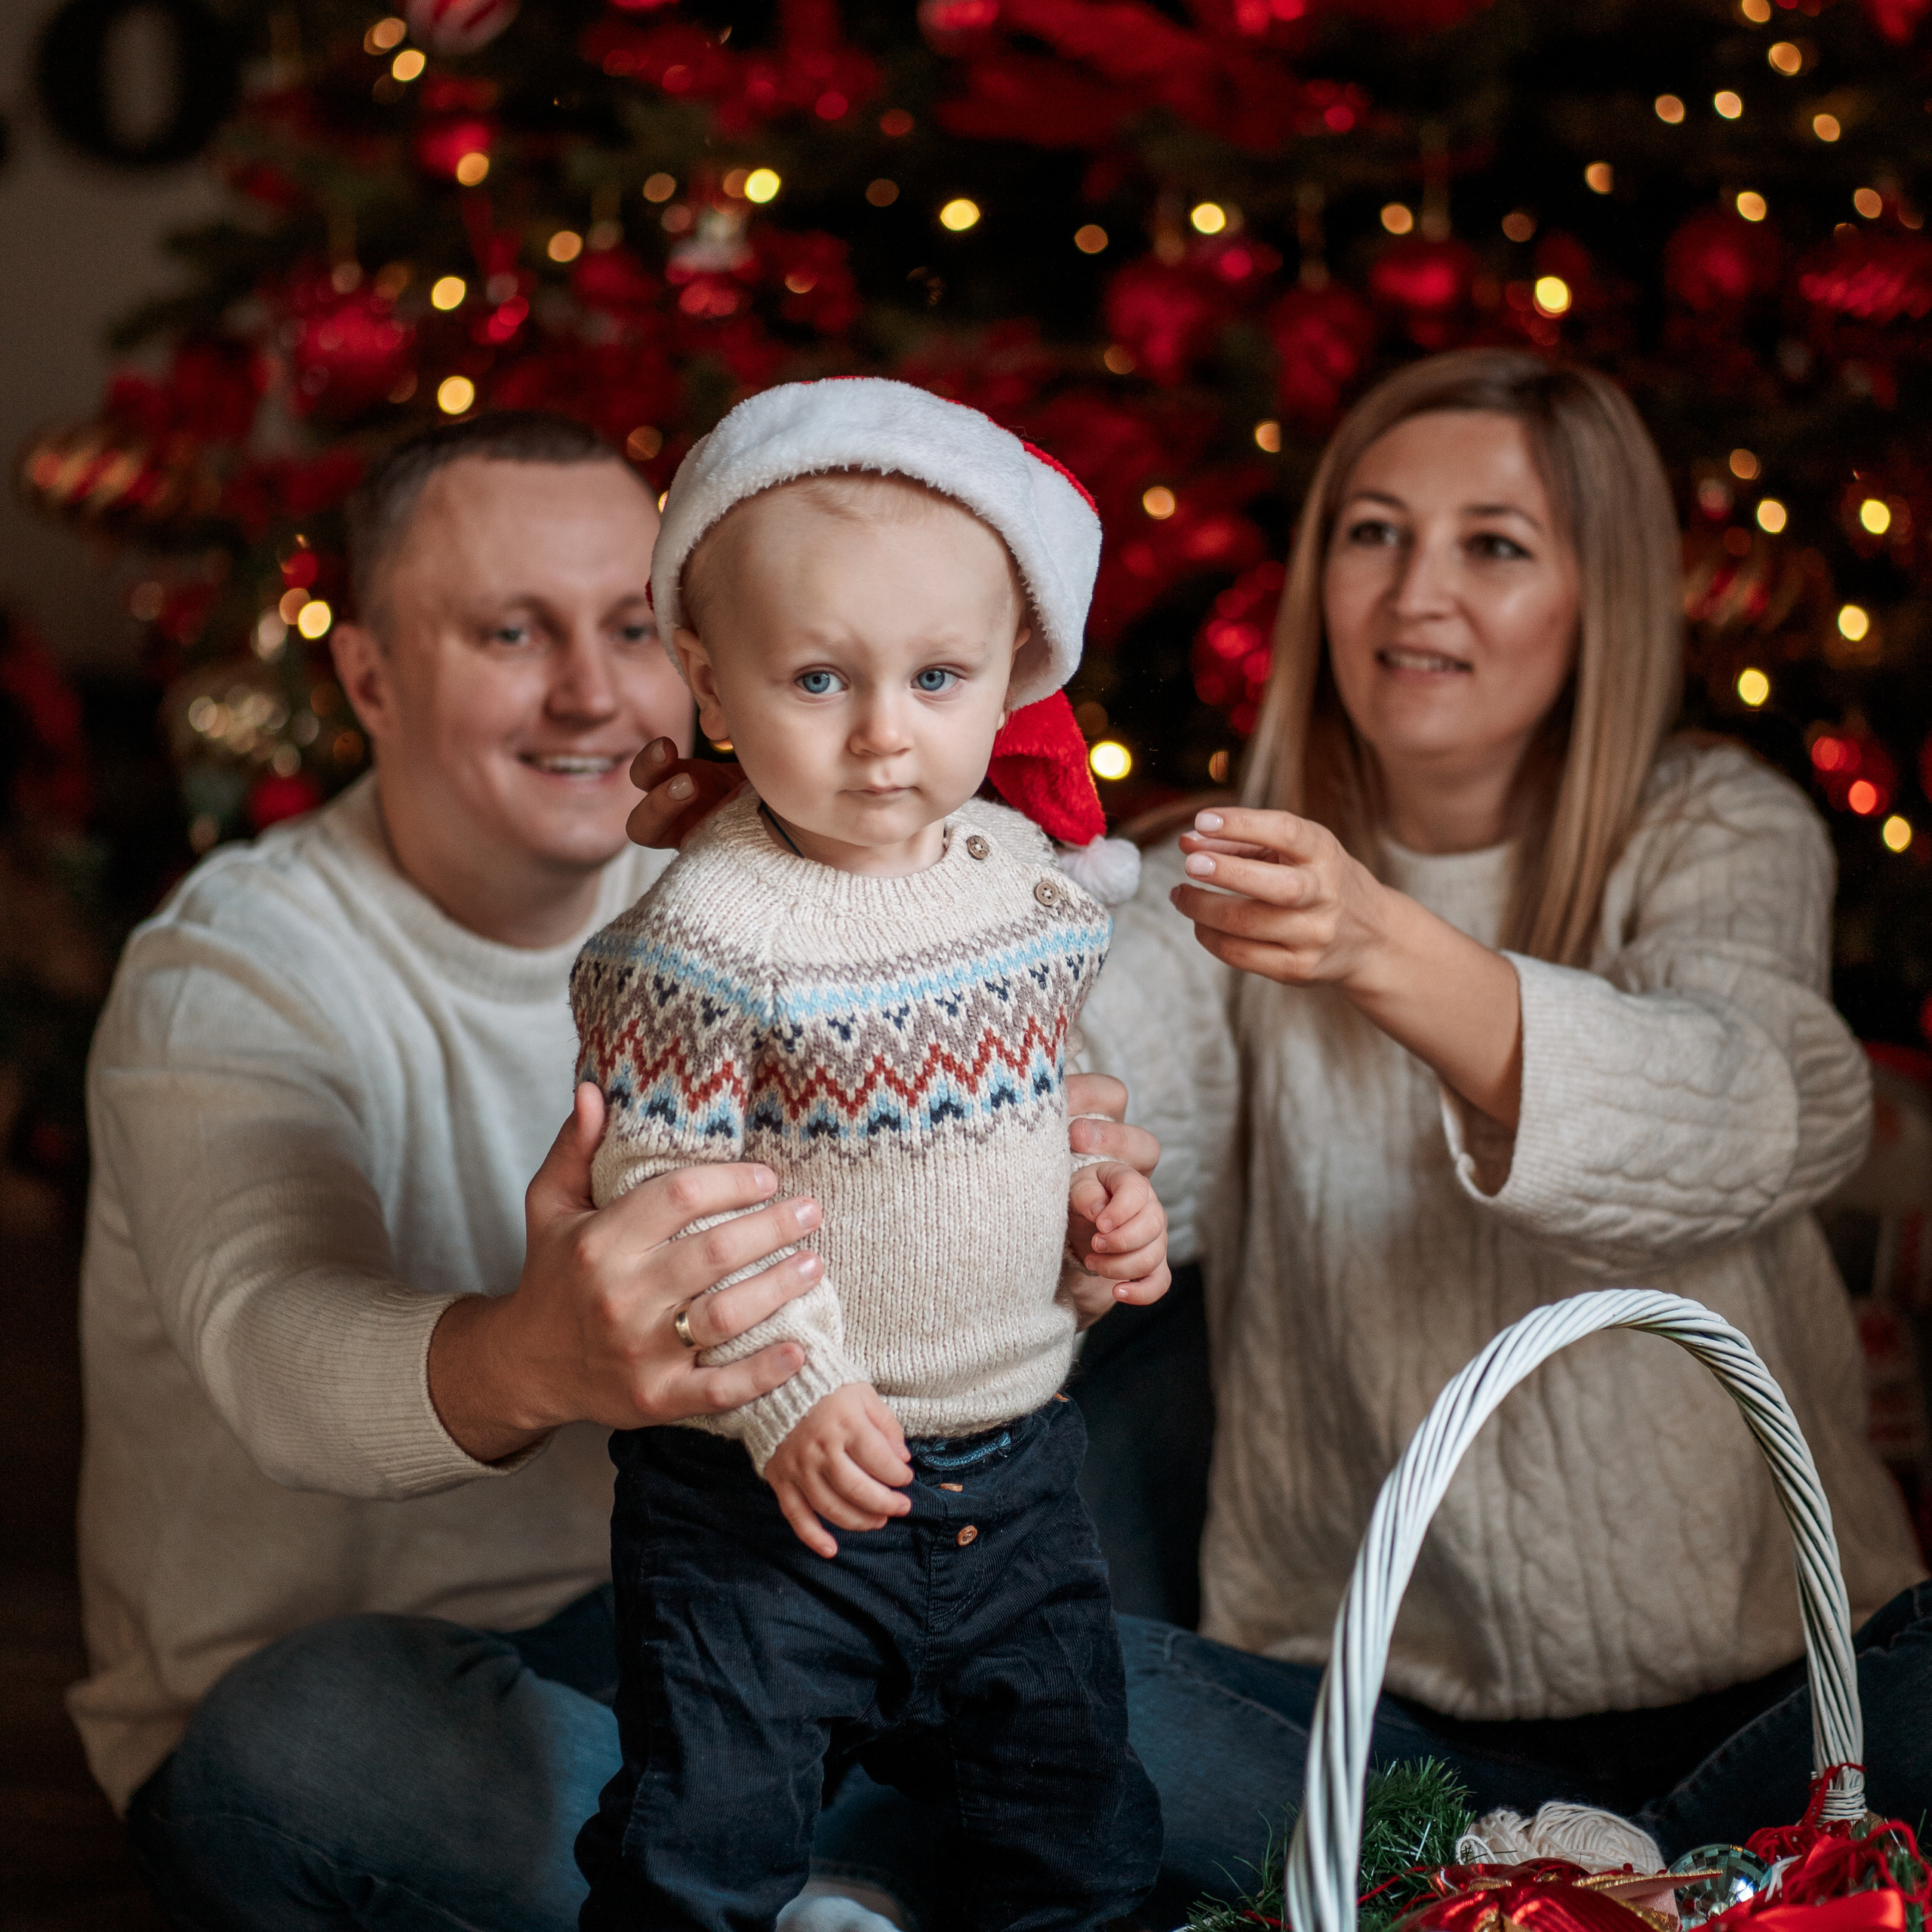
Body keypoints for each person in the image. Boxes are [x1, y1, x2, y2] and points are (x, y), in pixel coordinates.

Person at [71, 409, 1162, 1932]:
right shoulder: (238, 969)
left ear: (693, 659)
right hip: (405, 1663)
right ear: (370, 675)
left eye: (626, 627)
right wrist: (532, 1355)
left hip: (786, 1562)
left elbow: (1016, 1067)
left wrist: (1056, 1176)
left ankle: (865, 1852)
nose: (592, 690)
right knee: (299, 1738)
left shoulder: (810, 856)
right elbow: (269, 1346)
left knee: (1068, 1650)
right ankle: (854, 1862)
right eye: (513, 630)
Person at [1124, 349, 1932, 1918]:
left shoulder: (1708, 826)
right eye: (1370, 531)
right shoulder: (1210, 877)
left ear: (1593, 596)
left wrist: (1377, 945)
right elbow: (1098, 1107)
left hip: (1776, 1709)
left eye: (1491, 543)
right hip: (1382, 1741)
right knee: (1054, 1691)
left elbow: (1755, 1102)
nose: (1414, 589)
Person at [569, 378, 1168, 1931]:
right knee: (703, 1847)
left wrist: (1094, 1210)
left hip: (1019, 1478)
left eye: (938, 675)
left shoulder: (1022, 875)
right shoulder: (706, 934)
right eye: (820, 676)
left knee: (1075, 1844)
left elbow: (1052, 1089)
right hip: (769, 1500)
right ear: (709, 680)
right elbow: (661, 1198)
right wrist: (790, 1385)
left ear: (1011, 676)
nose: (887, 734)